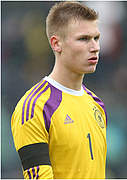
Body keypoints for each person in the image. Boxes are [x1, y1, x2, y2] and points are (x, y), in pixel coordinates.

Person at [11, 2, 107, 179]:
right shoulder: (34, 108)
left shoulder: (97, 104)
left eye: (96, 38)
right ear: (56, 44)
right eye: (83, 39)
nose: (95, 47)